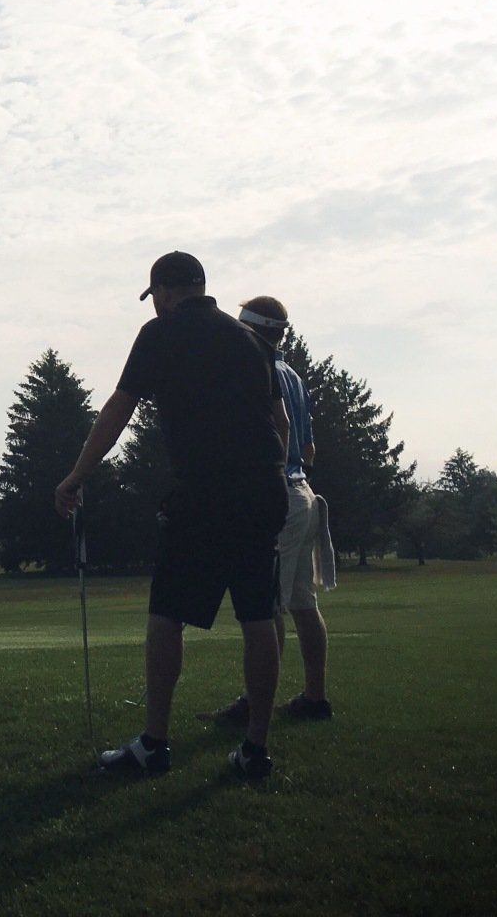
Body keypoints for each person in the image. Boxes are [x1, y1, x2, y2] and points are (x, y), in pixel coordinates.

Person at [55, 251, 288, 780]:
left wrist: (76, 476)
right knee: (258, 616)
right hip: (264, 488)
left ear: (163, 290)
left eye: (155, 295)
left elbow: (119, 407)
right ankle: (256, 750)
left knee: (166, 617)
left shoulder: (159, 333)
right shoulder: (251, 341)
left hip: (208, 492)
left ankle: (155, 744)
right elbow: (279, 424)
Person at [201, 296, 336, 726]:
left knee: (266, 606)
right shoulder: (292, 375)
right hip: (304, 493)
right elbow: (308, 445)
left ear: (250, 328)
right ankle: (314, 698)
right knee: (302, 603)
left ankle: (255, 705)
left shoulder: (253, 369)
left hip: (277, 494)